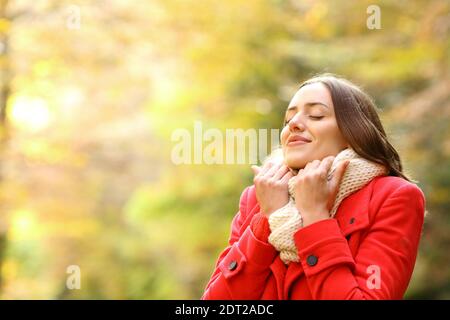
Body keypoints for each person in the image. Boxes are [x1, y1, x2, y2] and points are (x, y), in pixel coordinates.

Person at [201, 74, 426, 300]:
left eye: (316, 115)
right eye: (288, 120)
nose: (294, 124)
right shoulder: (259, 196)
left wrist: (316, 216)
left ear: (354, 133)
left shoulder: (393, 197)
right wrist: (266, 221)